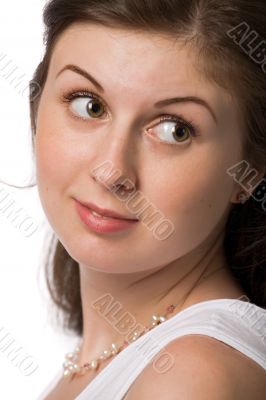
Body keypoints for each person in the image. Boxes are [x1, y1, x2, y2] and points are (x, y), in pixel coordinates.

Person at [32, 0, 266, 399]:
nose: (111, 170)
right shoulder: (120, 357)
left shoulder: (190, 377)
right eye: (89, 105)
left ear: (249, 172)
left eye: (176, 130)